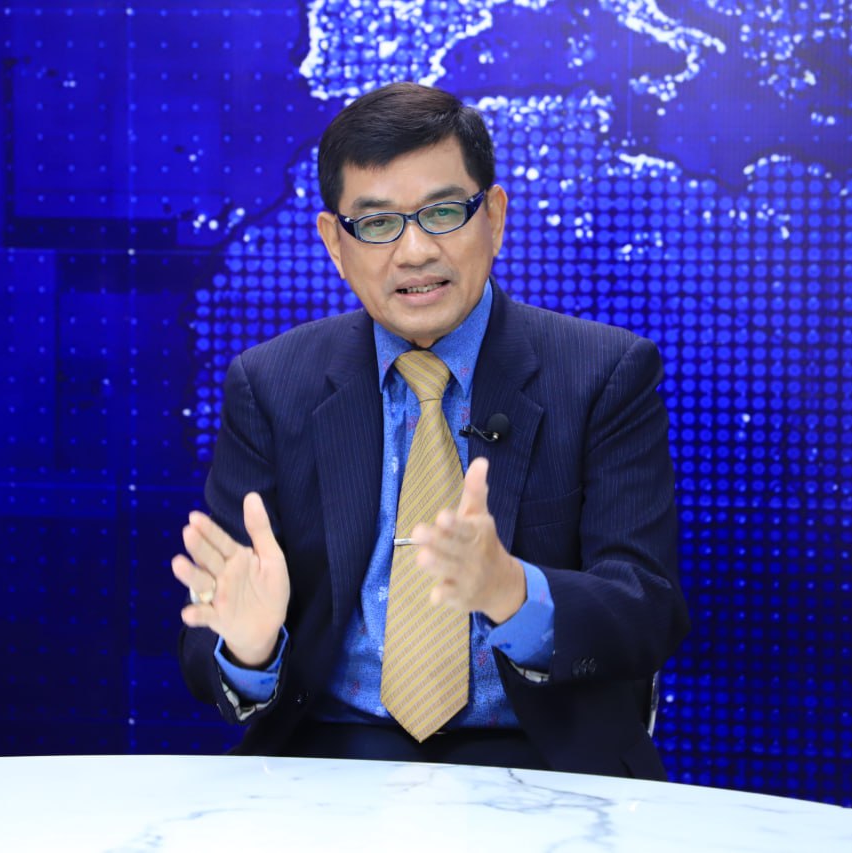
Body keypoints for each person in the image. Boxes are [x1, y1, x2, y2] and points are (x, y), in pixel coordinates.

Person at [173, 82, 689, 778]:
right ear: (334, 243)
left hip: (542, 760)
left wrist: (512, 591)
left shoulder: (603, 374)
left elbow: (646, 609)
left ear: (494, 217)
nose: (414, 251)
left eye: (443, 213)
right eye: (377, 223)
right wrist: (251, 648)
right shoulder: (272, 385)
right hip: (326, 758)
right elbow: (210, 645)